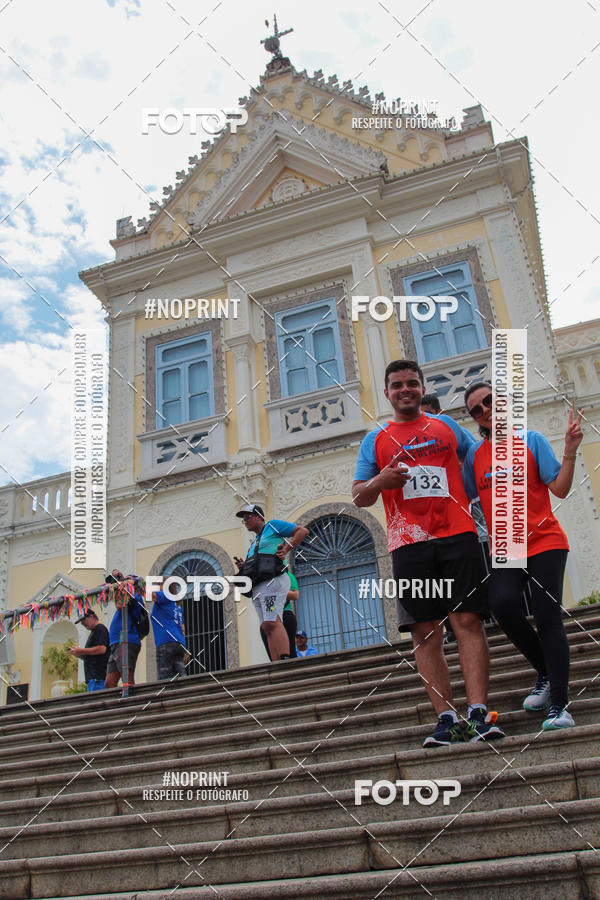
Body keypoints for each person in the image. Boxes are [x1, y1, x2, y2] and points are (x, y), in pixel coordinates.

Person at [352, 360, 505, 747]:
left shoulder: (447, 427)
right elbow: (358, 495)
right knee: (425, 632)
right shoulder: (376, 439)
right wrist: (380, 480)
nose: (406, 389)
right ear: (387, 393)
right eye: (397, 384)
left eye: (412, 383)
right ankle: (446, 718)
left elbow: (481, 461)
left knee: (468, 622)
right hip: (409, 544)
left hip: (458, 535)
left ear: (422, 388)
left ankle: (477, 713)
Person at [462, 381, 583, 730]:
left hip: (545, 540)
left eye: (489, 402)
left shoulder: (531, 440)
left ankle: (559, 705)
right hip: (506, 548)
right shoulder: (474, 455)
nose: (485, 411)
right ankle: (545, 671)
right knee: (502, 605)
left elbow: (558, 488)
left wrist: (570, 451)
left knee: (547, 618)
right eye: (476, 410)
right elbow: (466, 496)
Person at [235, 504, 309, 661]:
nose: (246, 520)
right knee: (266, 626)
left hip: (272, 581)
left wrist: (287, 549)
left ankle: (285, 657)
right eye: (244, 519)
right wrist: (244, 566)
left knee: (273, 621)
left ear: (260, 517)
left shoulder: (272, 526)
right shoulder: (254, 542)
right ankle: (275, 662)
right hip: (258, 585)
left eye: (249, 516)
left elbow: (301, 531)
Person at [104, 570, 144, 690]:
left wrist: (120, 585)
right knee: (109, 682)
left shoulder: (136, 597)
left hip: (126, 640)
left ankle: (132, 704)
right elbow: (108, 585)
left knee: (127, 677)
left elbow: (120, 605)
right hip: (116, 642)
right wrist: (115, 578)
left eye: (127, 581)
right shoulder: (126, 595)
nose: (123, 583)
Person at [150, 577, 187, 680]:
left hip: (166, 642)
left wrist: (138, 585)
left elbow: (151, 595)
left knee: (164, 678)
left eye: (158, 585)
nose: (156, 587)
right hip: (179, 643)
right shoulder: (176, 606)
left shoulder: (165, 595)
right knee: (180, 677)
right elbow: (183, 629)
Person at [260, 571, 299, 660]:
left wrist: (276, 591)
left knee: (289, 654)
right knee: (273, 657)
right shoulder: (261, 576)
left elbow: (295, 595)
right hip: (267, 617)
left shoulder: (287, 575)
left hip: (284, 614)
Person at [68, 609, 109, 691]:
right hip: (92, 678)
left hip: (98, 677)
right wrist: (79, 654)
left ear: (91, 616)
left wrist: (82, 651)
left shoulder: (100, 628)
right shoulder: (94, 632)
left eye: (84, 620)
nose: (82, 623)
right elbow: (93, 655)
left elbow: (102, 649)